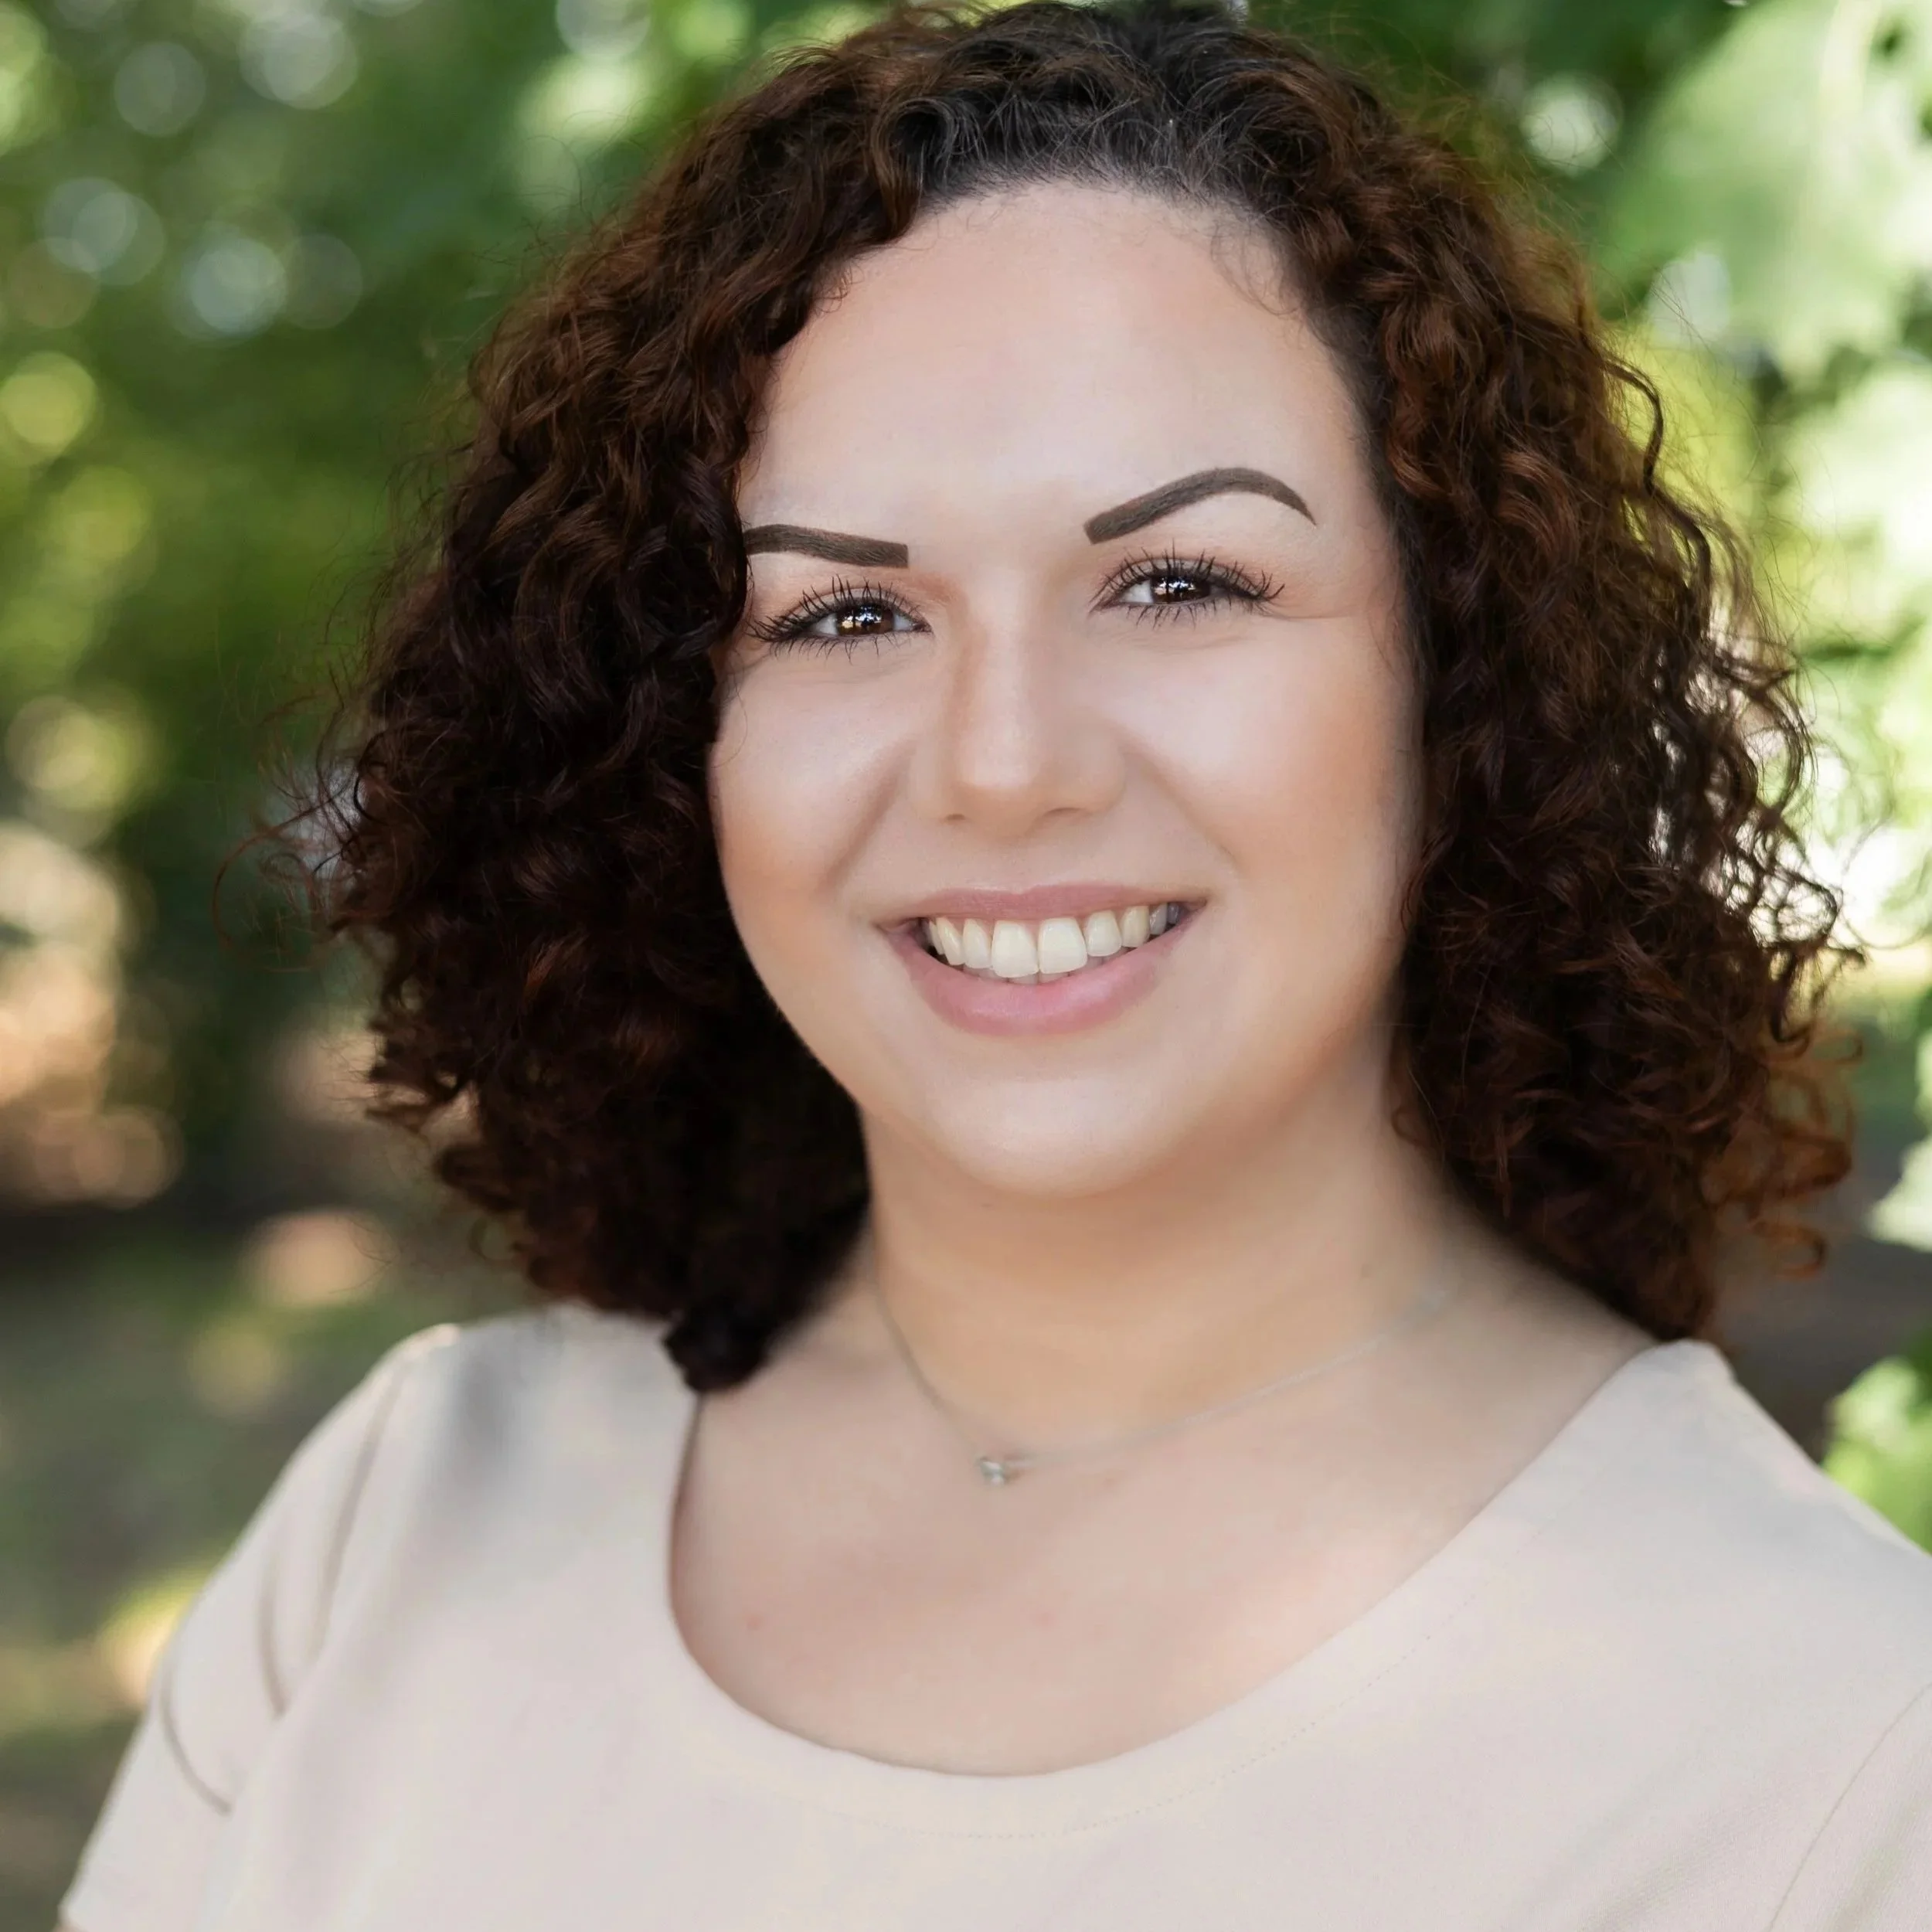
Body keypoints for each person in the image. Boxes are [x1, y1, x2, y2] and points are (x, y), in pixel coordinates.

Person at [60, 3, 1932, 1927]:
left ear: (1458, 677)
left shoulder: (1836, 1748)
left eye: (1177, 581)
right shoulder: (398, 1531)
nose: (1004, 759)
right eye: (844, 611)